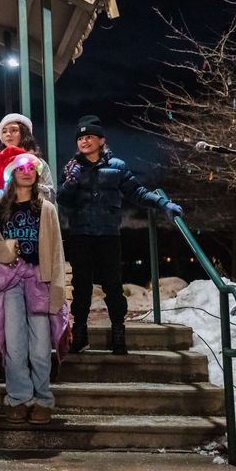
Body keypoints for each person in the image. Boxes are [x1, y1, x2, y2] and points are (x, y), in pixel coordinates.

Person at [58, 115, 183, 355]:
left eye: (89, 137)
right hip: (81, 234)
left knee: (113, 286)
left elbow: (137, 192)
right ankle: (80, 333)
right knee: (81, 287)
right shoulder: (72, 168)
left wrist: (162, 203)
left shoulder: (117, 166)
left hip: (108, 235)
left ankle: (118, 332)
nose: (84, 141)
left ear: (101, 140)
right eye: (80, 138)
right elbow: (62, 199)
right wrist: (71, 182)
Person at [0, 146, 70, 425]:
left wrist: (58, 287)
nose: (26, 172)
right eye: (20, 168)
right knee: (14, 341)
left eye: (31, 168)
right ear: (12, 174)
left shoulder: (46, 209)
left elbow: (56, 249)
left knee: (40, 344)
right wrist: (6, 252)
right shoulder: (0, 210)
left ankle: (43, 398)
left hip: (39, 280)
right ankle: (19, 397)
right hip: (11, 280)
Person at [0, 113, 56, 205]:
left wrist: (32, 186)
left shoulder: (37, 163)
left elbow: (51, 197)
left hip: (33, 211)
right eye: (4, 131)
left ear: (24, 133)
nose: (8, 134)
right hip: (0, 212)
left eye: (14, 130)